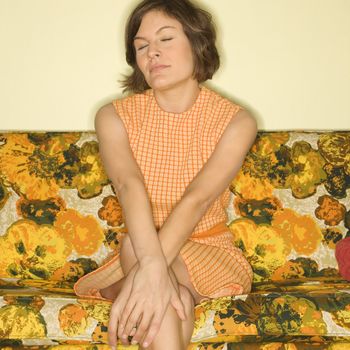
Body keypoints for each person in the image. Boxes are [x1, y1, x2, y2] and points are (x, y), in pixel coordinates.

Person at [74, 0, 257, 349]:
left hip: (207, 251)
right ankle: (141, 280)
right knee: (175, 299)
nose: (151, 53)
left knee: (142, 262)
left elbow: (198, 199)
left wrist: (150, 269)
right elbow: (129, 188)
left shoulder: (237, 121)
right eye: (141, 46)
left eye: (165, 39)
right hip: (143, 242)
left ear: (197, 43)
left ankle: (132, 284)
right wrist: (154, 266)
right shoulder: (112, 117)